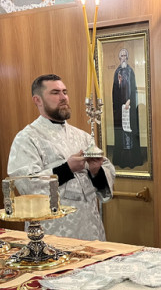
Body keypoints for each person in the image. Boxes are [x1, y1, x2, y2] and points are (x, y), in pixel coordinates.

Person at [8, 74, 115, 240]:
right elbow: (26, 184)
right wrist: (67, 169)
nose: (63, 97)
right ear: (38, 100)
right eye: (55, 93)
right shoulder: (27, 138)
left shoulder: (82, 137)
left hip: (91, 229)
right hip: (53, 232)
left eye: (65, 92)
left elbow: (104, 180)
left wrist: (96, 171)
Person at [111, 48, 143, 169]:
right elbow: (115, 90)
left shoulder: (130, 71)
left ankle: (132, 160)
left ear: (127, 57)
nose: (123, 58)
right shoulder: (117, 72)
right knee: (121, 132)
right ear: (119, 58)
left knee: (130, 130)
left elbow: (134, 88)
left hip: (130, 106)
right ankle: (122, 161)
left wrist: (130, 100)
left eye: (125, 55)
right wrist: (119, 82)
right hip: (120, 108)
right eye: (122, 56)